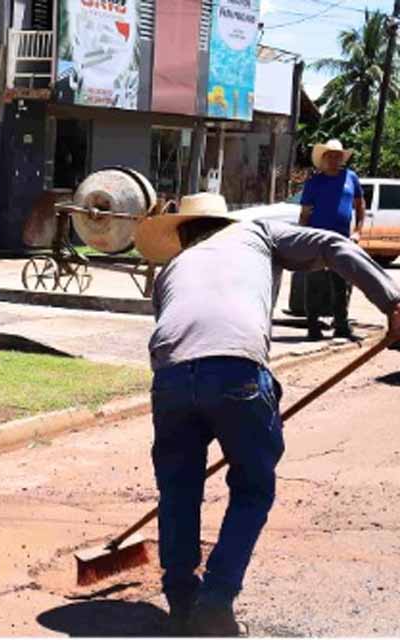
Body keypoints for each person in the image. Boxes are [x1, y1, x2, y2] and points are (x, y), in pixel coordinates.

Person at [134, 192, 400, 635]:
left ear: (183, 233)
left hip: (172, 379)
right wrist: (392, 301)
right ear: (222, 221)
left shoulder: (171, 269)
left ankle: (181, 599)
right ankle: (216, 599)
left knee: (178, 490)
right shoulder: (256, 231)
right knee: (253, 487)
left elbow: (174, 331)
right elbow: (334, 246)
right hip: (237, 369)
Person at [299, 139, 366, 341]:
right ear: (323, 158)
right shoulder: (314, 182)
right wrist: (302, 237)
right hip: (316, 238)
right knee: (315, 283)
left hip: (342, 239)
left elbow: (360, 205)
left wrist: (358, 231)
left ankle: (342, 326)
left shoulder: (350, 178)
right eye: (330, 155)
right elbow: (305, 213)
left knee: (342, 283)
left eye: (338, 155)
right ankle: (312, 327)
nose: (335, 159)